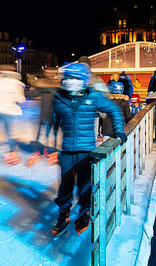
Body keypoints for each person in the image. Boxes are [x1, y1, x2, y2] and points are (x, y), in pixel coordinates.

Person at [52, 62, 127, 237]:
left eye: (75, 78)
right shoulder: (59, 98)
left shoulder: (93, 97)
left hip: (86, 150)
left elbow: (114, 110)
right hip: (66, 151)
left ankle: (84, 213)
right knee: (65, 185)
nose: (71, 82)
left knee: (85, 184)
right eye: (68, 78)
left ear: (84, 80)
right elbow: (53, 119)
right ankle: (64, 215)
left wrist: (118, 130)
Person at [25, 67, 59, 147]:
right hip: (50, 114)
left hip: (50, 113)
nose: (49, 75)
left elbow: (31, 94)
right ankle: (47, 149)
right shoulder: (54, 86)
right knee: (50, 133)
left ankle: (45, 149)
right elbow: (32, 94)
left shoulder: (45, 85)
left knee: (48, 133)